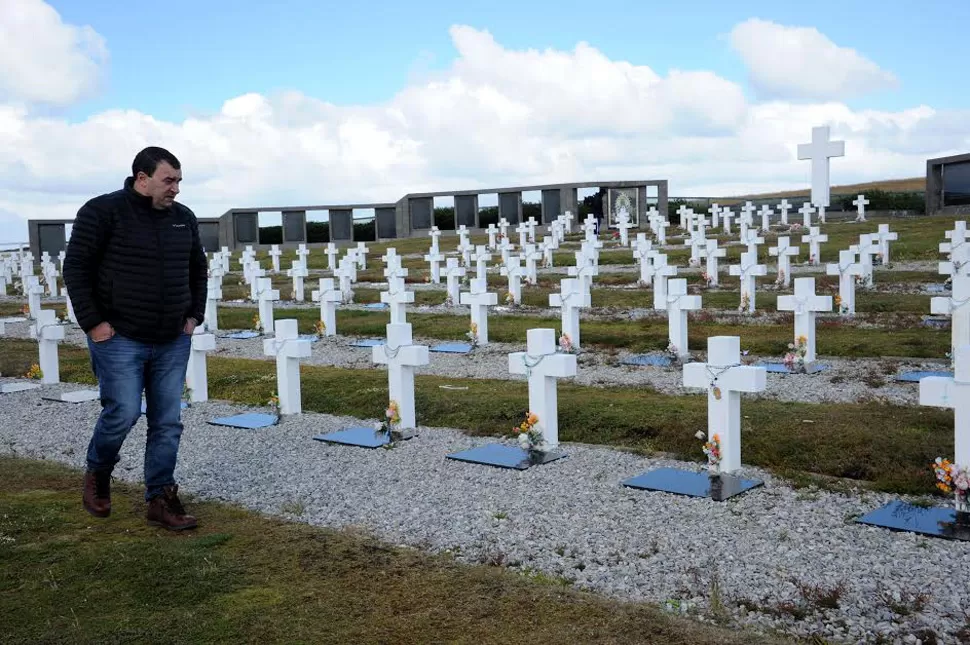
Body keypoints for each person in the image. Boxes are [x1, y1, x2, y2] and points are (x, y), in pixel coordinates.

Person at [63, 147, 207, 531]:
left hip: (172, 338)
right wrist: (93, 323)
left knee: (167, 422)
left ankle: (160, 498)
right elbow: (76, 268)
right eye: (168, 180)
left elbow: (198, 269)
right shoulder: (102, 212)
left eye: (178, 180)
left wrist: (194, 315)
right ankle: (98, 473)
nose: (175, 188)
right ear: (142, 179)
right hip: (120, 336)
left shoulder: (183, 219)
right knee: (123, 412)